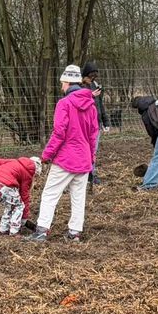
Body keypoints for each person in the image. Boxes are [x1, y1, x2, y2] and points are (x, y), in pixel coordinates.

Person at [24, 65, 98, 243]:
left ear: (66, 82)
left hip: (66, 159)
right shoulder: (91, 106)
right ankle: (74, 233)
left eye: (62, 83)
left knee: (50, 193)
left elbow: (59, 132)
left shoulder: (64, 104)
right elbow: (93, 135)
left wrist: (46, 155)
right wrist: (92, 158)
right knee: (78, 197)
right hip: (84, 158)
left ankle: (41, 230)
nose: (61, 87)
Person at [0, 151, 42, 235]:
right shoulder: (28, 174)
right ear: (35, 171)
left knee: (10, 206)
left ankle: (3, 230)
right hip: (6, 186)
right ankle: (14, 232)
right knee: (19, 206)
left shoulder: (14, 161)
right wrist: (24, 217)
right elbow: (24, 195)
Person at [81, 62, 111, 186]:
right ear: (85, 75)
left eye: (94, 76)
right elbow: (80, 104)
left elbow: (100, 105)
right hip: (85, 124)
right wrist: (90, 96)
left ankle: (91, 174)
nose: (92, 78)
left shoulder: (94, 85)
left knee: (93, 151)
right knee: (83, 150)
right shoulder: (80, 87)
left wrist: (105, 121)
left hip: (96, 124)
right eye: (91, 76)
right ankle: (82, 174)